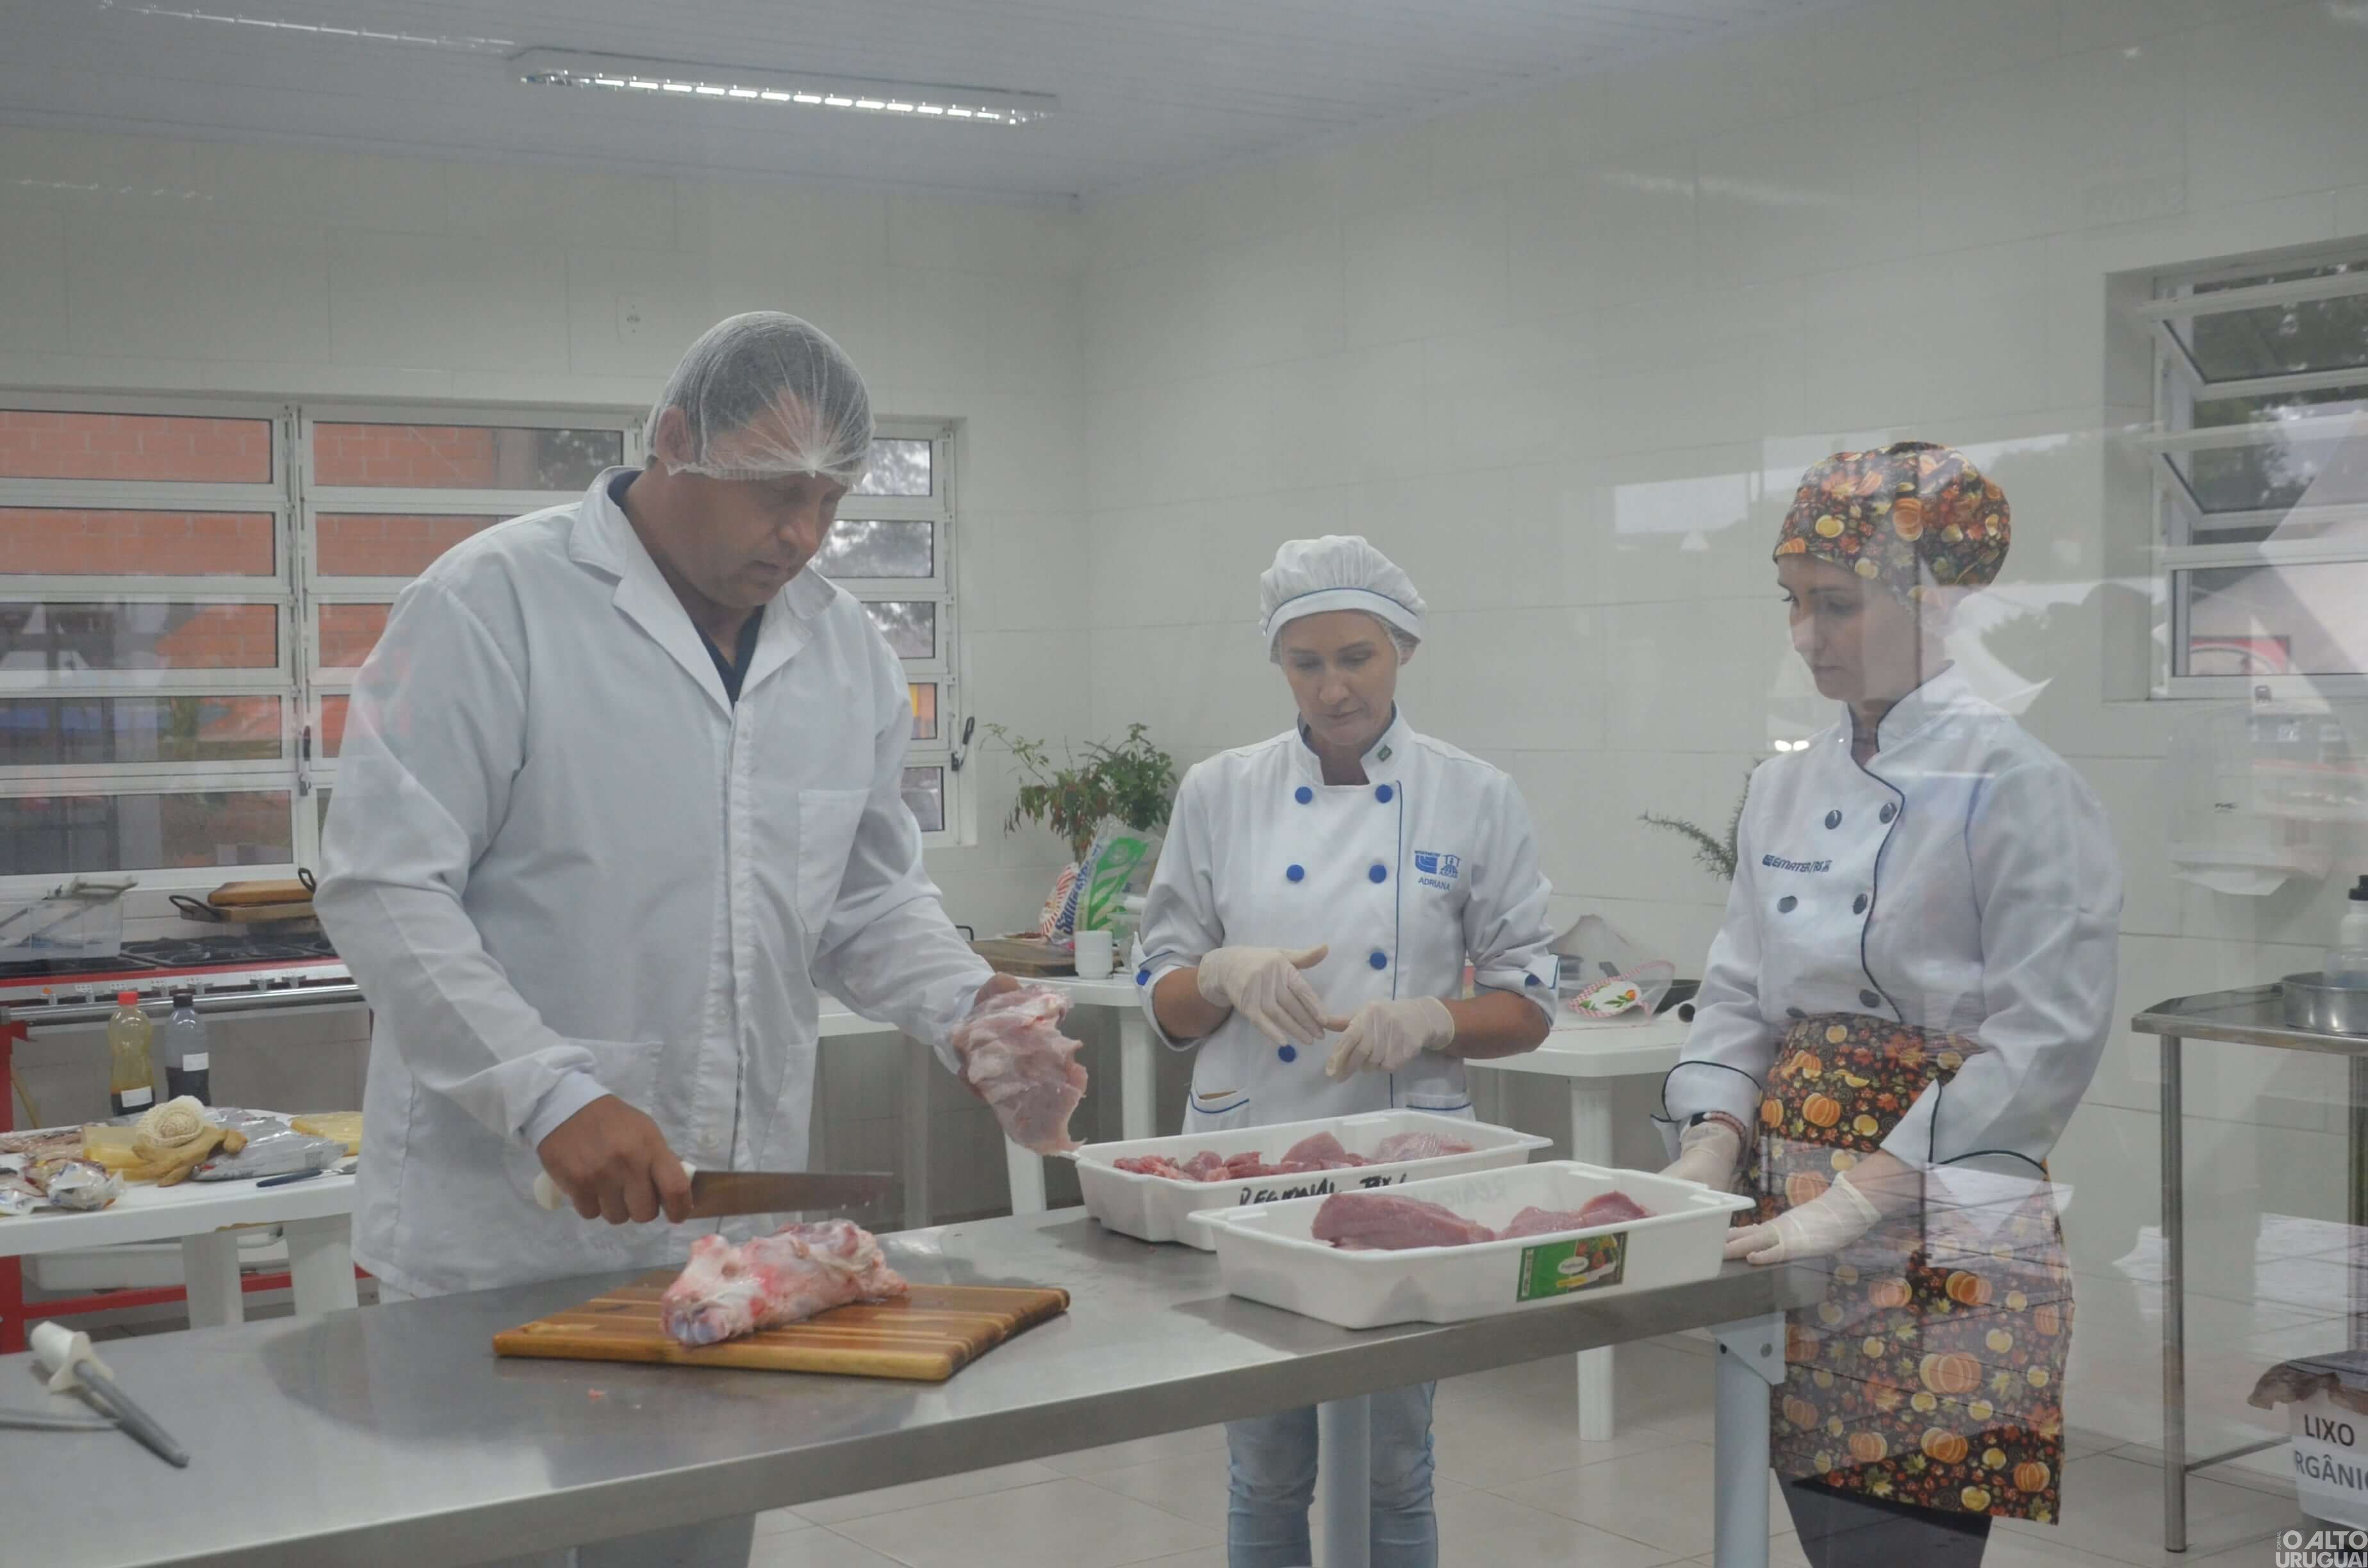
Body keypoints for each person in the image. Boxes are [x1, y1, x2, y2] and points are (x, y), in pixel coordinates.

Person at [318, 313, 1053, 1568]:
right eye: (775, 494)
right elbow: (385, 889)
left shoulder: (845, 654)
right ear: (671, 444)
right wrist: (548, 1093)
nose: (806, 536)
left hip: (726, 1255)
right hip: (499, 1235)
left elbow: (866, 898)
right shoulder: (493, 604)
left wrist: (973, 1008)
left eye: (831, 500)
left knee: (692, 1553)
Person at [1655, 442, 2121, 1567]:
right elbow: (1737, 991)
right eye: (1794, 606)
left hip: (1946, 1191)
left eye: (1838, 606)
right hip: (1788, 1192)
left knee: (1909, 1529)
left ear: (1933, 601)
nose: (1808, 638)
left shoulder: (2019, 783)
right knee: (1815, 1496)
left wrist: (1866, 1194)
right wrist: (1713, 1139)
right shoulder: (1783, 783)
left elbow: (2044, 1035)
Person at [1136, 535, 1559, 1568]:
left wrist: (1432, 1020)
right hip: (1250, 1165)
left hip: (1399, 1159)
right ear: (1279, 665)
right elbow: (1163, 1001)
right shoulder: (1219, 791)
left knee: (1391, 1463)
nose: (1333, 687)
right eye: (1307, 662)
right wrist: (1226, 975)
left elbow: (1532, 1002)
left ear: (1402, 650)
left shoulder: (1475, 794)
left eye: (1356, 657)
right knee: (1265, 1463)